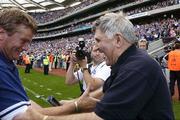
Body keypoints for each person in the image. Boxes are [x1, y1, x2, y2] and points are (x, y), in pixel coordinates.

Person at [14, 12, 174, 120]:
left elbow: (97, 118)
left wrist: (43, 118)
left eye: (98, 40)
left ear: (118, 40)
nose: (95, 47)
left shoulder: (137, 67)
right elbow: (100, 95)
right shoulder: (127, 63)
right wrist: (72, 104)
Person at [0, 8, 37, 120]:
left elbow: (26, 104)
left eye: (28, 42)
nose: (26, 48)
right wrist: (76, 107)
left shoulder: (7, 62)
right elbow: (23, 117)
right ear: (1, 33)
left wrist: (72, 105)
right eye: (23, 40)